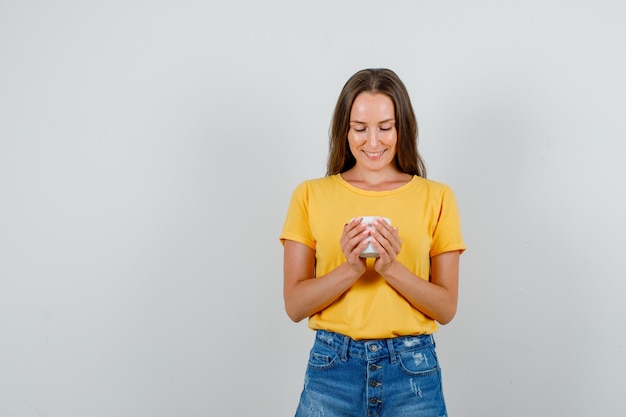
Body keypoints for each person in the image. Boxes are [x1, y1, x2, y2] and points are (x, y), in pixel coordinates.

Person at [280, 68, 466, 417]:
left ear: (402, 128)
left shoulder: (437, 197)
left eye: (385, 127)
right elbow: (294, 305)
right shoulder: (310, 195)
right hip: (332, 369)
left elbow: (446, 308)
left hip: (413, 372)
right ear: (345, 130)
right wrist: (351, 269)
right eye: (360, 128)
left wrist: (390, 268)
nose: (373, 142)